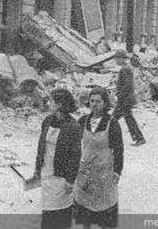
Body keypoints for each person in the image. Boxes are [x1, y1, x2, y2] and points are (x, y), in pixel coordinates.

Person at [74, 87, 124, 229]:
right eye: (92, 101)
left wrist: (117, 171)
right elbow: (74, 146)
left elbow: (119, 150)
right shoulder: (82, 121)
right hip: (86, 171)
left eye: (98, 101)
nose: (94, 104)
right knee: (85, 210)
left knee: (105, 209)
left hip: (105, 172)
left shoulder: (112, 123)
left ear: (105, 103)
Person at [32, 88, 81, 229]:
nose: (48, 103)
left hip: (61, 177)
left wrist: (70, 180)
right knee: (47, 212)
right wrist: (37, 169)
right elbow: (41, 147)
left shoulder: (73, 127)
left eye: (51, 101)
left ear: (59, 105)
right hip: (46, 174)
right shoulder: (47, 121)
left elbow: (75, 155)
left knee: (60, 215)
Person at [112, 49, 146, 146]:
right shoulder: (126, 68)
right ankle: (139, 138)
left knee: (117, 119)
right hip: (125, 99)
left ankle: (139, 138)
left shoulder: (125, 69)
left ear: (122, 58)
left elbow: (127, 86)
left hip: (125, 99)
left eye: (117, 58)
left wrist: (119, 95)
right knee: (120, 118)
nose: (116, 61)